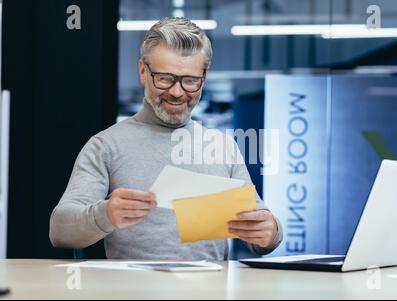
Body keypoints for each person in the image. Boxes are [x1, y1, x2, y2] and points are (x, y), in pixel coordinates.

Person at [49, 17, 282, 260]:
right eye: (165, 78)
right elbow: (60, 231)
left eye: (190, 81)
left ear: (205, 75)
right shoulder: (105, 146)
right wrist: (105, 214)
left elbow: (261, 227)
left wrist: (270, 231)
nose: (177, 92)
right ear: (142, 71)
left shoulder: (223, 146)